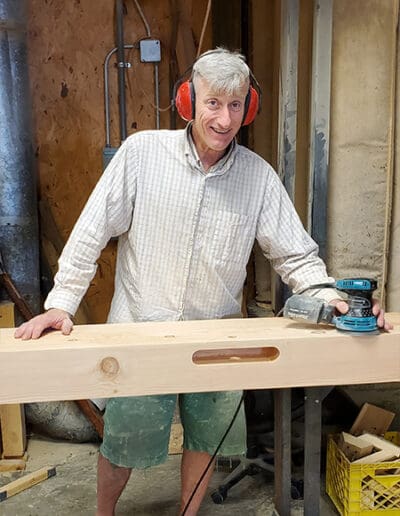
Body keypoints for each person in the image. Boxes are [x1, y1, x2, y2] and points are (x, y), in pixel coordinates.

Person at [15, 48, 391, 515]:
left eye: (236, 105)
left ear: (248, 108)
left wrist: (341, 302)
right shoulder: (141, 155)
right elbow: (91, 232)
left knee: (206, 439)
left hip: (216, 338)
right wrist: (62, 303)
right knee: (123, 442)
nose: (224, 118)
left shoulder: (257, 177)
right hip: (140, 329)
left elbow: (297, 256)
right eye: (213, 103)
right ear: (189, 100)